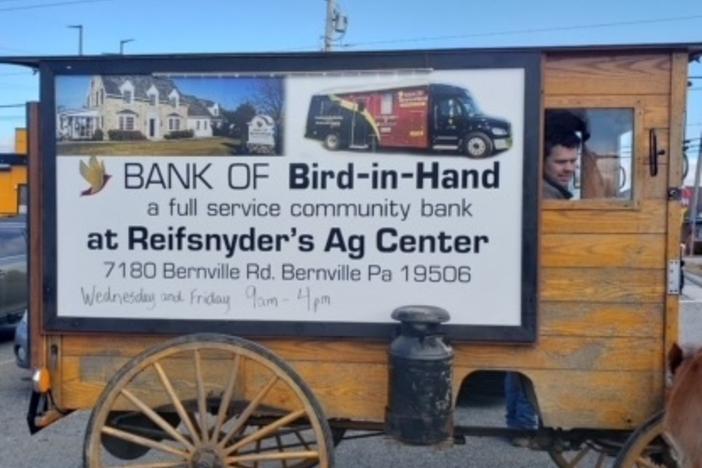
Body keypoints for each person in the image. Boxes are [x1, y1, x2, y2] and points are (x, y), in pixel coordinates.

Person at [505, 111, 587, 445]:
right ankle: (524, 424)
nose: (569, 168)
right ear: (542, 161)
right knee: (530, 355)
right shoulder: (546, 197)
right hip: (532, 288)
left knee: (524, 357)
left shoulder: (552, 193)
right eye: (561, 162)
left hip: (531, 286)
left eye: (573, 161)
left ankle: (523, 422)